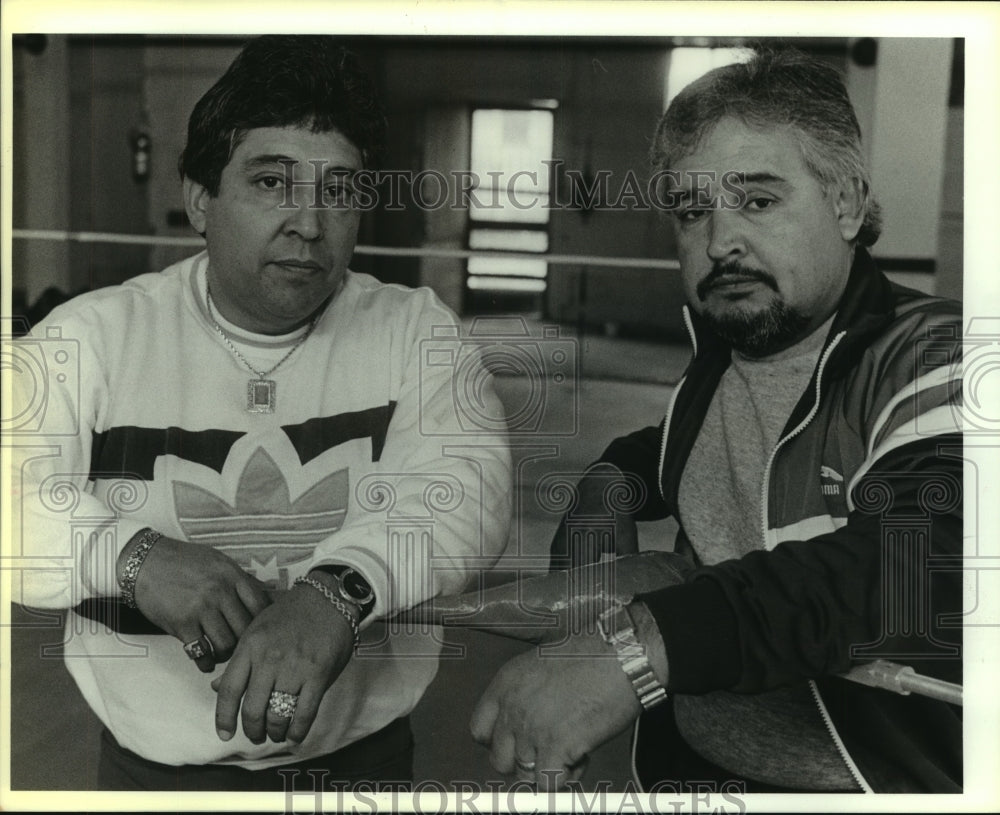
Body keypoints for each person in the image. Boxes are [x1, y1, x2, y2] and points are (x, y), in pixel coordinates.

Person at [10, 35, 511, 791]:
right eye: (272, 182)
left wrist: (339, 591)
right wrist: (130, 556)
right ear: (200, 198)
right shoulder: (91, 337)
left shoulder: (416, 330)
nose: (309, 223)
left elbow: (470, 488)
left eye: (338, 190)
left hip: (362, 769)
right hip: (154, 779)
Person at [470, 48, 963, 794]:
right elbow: (698, 448)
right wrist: (615, 480)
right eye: (692, 211)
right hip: (683, 774)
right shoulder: (732, 349)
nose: (719, 240)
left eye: (758, 201)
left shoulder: (935, 353)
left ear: (848, 203)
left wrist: (643, 648)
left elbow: (912, 561)